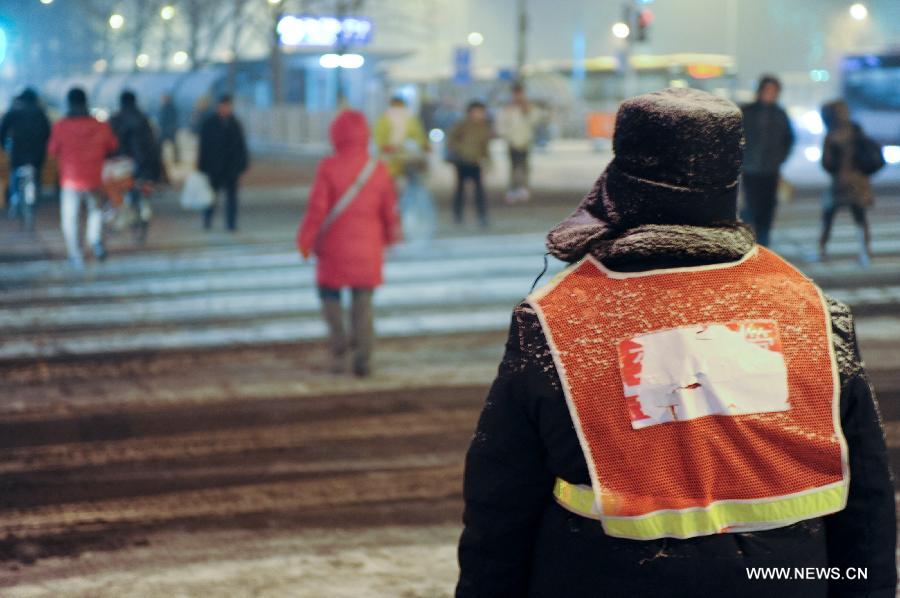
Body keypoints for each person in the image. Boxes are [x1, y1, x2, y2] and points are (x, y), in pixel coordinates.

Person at [456, 88, 895, 597]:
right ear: (730, 176)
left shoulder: (561, 320)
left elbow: (500, 506)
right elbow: (865, 504)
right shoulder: (808, 310)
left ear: (622, 176)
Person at [297, 110, 399, 378]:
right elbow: (389, 211)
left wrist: (305, 241)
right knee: (363, 306)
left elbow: (317, 211)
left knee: (329, 297)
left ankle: (340, 347)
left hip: (333, 249)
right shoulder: (377, 169)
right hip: (368, 249)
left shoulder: (328, 167)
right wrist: (391, 237)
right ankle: (363, 360)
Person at [47, 87, 118, 268]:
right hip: (94, 177)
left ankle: (76, 254)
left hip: (70, 179)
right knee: (95, 210)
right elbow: (112, 145)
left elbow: (52, 150)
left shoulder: (61, 126)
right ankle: (94, 239)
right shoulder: (100, 125)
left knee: (71, 218)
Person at [819, 100, 876, 266]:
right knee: (860, 217)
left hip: (840, 181)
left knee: (828, 216)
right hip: (858, 180)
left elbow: (826, 163)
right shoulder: (857, 131)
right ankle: (865, 252)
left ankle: (822, 250)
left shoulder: (831, 135)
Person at [740, 75, 795, 246]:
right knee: (749, 208)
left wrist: (780, 158)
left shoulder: (780, 114)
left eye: (774, 91)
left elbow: (789, 138)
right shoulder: (746, 111)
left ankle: (764, 246)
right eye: (767, 90)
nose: (770, 94)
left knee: (767, 209)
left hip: (771, 170)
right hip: (749, 170)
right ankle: (747, 244)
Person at [110, 90, 164, 243]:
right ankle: (140, 223)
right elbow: (152, 145)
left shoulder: (115, 119)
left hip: (121, 166)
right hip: (143, 166)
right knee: (140, 195)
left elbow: (111, 145)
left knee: (122, 194)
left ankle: (125, 220)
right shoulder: (144, 119)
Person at [0, 88, 51, 230]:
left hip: (18, 154)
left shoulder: (13, 112)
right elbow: (48, 133)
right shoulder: (41, 114)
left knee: (14, 174)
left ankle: (14, 199)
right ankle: (34, 198)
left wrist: (4, 145)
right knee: (36, 176)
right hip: (36, 155)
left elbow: (2, 130)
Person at [197, 95, 249, 232]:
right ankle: (207, 219)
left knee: (232, 198)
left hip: (231, 168)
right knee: (211, 196)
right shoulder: (209, 123)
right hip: (214, 168)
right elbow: (203, 147)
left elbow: (241, 146)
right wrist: (202, 167)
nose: (226, 109)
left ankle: (231, 224)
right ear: (219, 106)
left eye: (228, 106)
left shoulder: (235, 123)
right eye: (224, 106)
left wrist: (243, 165)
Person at [447, 101, 491, 227]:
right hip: (462, 161)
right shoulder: (462, 125)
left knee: (479, 191)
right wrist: (460, 149)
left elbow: (485, 146)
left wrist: (487, 161)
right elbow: (451, 140)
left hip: (476, 162)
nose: (480, 114)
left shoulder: (484, 127)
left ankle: (482, 217)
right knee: (460, 190)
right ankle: (458, 216)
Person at [496, 82, 540, 203]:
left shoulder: (529, 107)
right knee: (514, 167)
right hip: (512, 142)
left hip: (525, 142)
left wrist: (527, 110)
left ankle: (523, 190)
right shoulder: (507, 109)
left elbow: (535, 121)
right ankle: (513, 190)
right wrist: (507, 136)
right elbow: (501, 125)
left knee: (524, 167)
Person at [373, 96, 429, 180]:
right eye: (396, 105)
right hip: (387, 158)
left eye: (399, 105)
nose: (397, 107)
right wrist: (384, 146)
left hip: (405, 160)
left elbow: (418, 135)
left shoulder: (410, 119)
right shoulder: (383, 119)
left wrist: (424, 145)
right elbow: (378, 136)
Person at [158, 93, 179, 163]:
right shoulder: (164, 107)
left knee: (174, 145)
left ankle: (176, 159)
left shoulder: (170, 108)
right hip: (165, 130)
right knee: (160, 145)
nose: (163, 100)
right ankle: (159, 158)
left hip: (169, 130)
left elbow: (173, 119)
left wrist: (172, 127)